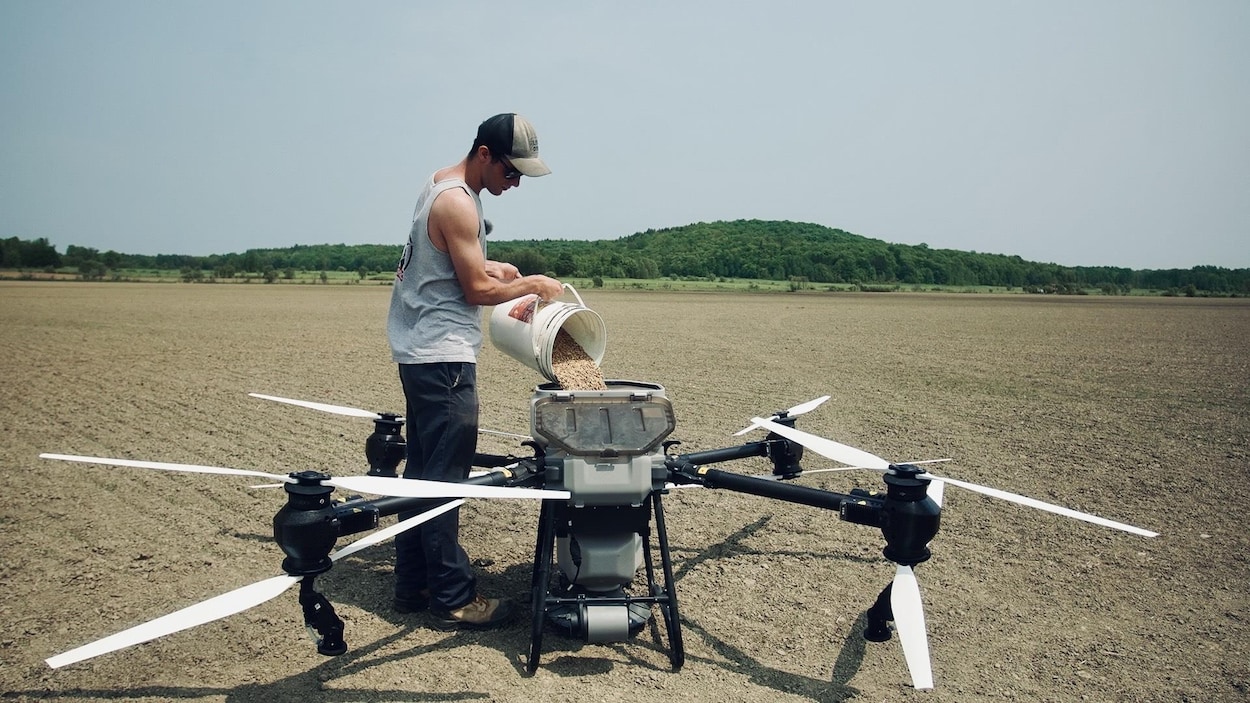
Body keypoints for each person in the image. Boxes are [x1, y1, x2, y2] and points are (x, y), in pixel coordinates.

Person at [387, 113, 564, 630]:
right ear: (484, 154)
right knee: (445, 480)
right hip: (443, 358)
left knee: (421, 474)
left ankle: (413, 584)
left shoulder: (441, 184)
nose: (515, 184)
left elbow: (447, 264)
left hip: (419, 353)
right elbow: (475, 294)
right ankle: (454, 599)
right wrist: (530, 284)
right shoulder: (457, 202)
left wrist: (492, 266)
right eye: (511, 172)